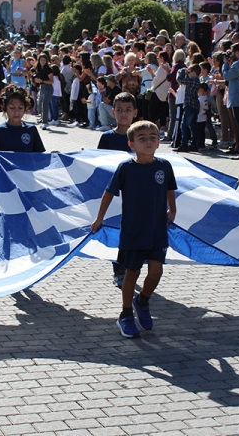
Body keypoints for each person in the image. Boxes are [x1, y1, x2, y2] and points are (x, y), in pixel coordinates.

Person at [91, 121, 177, 338]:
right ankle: (126, 314)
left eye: (152, 137)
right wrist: (99, 218)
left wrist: (172, 209)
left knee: (156, 272)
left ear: (159, 141)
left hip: (157, 229)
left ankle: (142, 301)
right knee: (132, 272)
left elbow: (170, 188)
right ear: (131, 144)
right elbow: (109, 193)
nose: (148, 141)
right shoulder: (126, 168)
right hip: (133, 231)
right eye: (142, 138)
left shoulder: (164, 166)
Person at [97, 92, 137, 289]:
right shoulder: (107, 138)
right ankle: (118, 270)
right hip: (115, 195)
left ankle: (132, 268)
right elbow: (98, 163)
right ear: (113, 112)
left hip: (136, 196)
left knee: (134, 234)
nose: (124, 114)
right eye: (119, 110)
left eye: (128, 110)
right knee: (117, 233)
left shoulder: (141, 135)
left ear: (135, 113)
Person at [0, 85, 45, 152]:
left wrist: (53, 156)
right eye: (12, 108)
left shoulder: (31, 130)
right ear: (4, 107)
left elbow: (40, 157)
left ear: (25, 108)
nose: (16, 112)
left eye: (20, 108)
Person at [174, 64, 201, 153]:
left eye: (190, 72)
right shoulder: (195, 80)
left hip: (190, 105)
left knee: (184, 125)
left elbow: (180, 79)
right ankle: (194, 144)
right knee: (193, 126)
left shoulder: (193, 80)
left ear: (194, 72)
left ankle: (184, 145)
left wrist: (181, 71)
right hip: (194, 106)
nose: (188, 73)